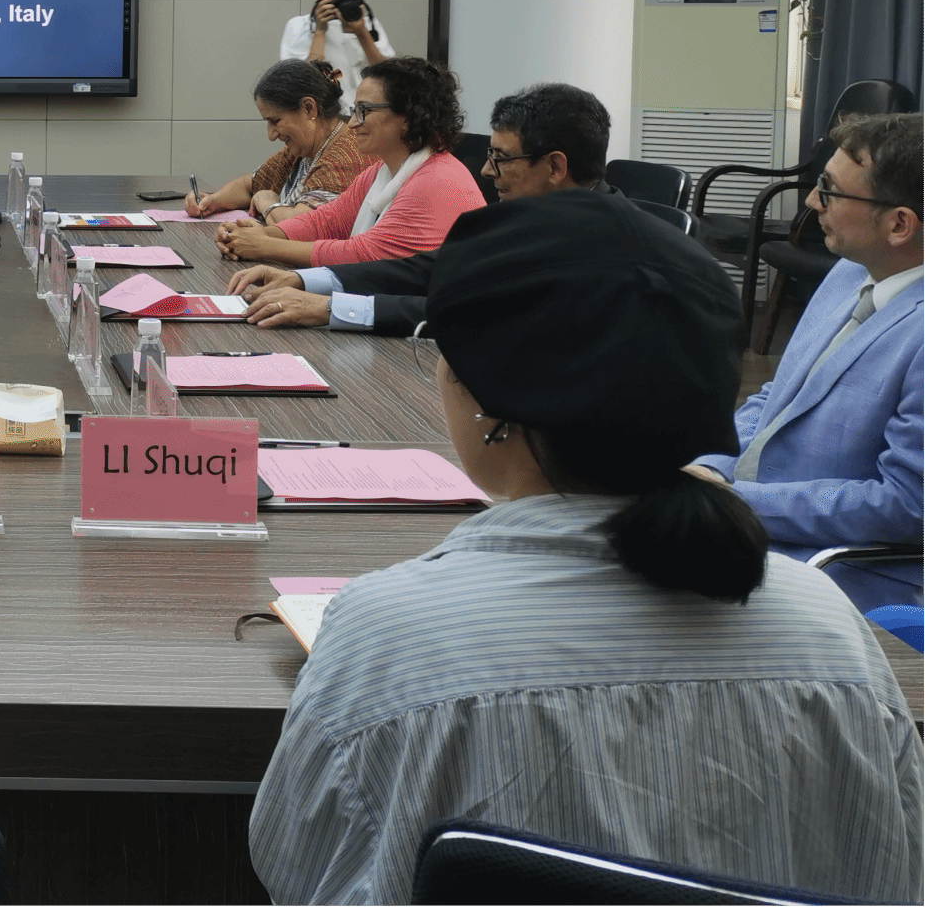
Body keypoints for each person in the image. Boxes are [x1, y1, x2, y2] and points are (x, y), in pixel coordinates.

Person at [250, 191, 922, 904]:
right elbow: (899, 869)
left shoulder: (384, 635)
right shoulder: (835, 633)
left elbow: (295, 867)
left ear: (487, 403)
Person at [694, 112, 923, 611]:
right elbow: (777, 399)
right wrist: (708, 466)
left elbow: (906, 506)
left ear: (899, 224)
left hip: (843, 570)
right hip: (756, 532)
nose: (812, 201)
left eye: (830, 190)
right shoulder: (849, 272)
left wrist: (734, 501)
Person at [229, 81, 616, 330]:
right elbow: (430, 268)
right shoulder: (532, 216)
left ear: (555, 167)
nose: (486, 170)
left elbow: (474, 311)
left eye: (501, 158)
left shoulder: (605, 246)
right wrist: (304, 280)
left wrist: (328, 307)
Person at [215, 57, 483, 268]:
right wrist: (257, 234)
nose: (353, 123)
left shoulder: (436, 180)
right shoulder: (380, 172)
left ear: (408, 116)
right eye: (355, 110)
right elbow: (325, 222)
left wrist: (264, 245)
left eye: (364, 111)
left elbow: (364, 255)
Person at [182, 60, 362, 221]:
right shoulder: (301, 150)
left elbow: (302, 226)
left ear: (308, 108)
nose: (271, 135)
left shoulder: (346, 157)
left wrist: (266, 202)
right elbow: (248, 186)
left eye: (275, 121)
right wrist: (213, 200)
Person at [278, 0, 394, 90]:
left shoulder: (370, 24)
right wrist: (320, 31)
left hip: (364, 104)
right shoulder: (298, 26)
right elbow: (299, 84)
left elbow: (389, 77)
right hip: (321, 105)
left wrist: (362, 33)